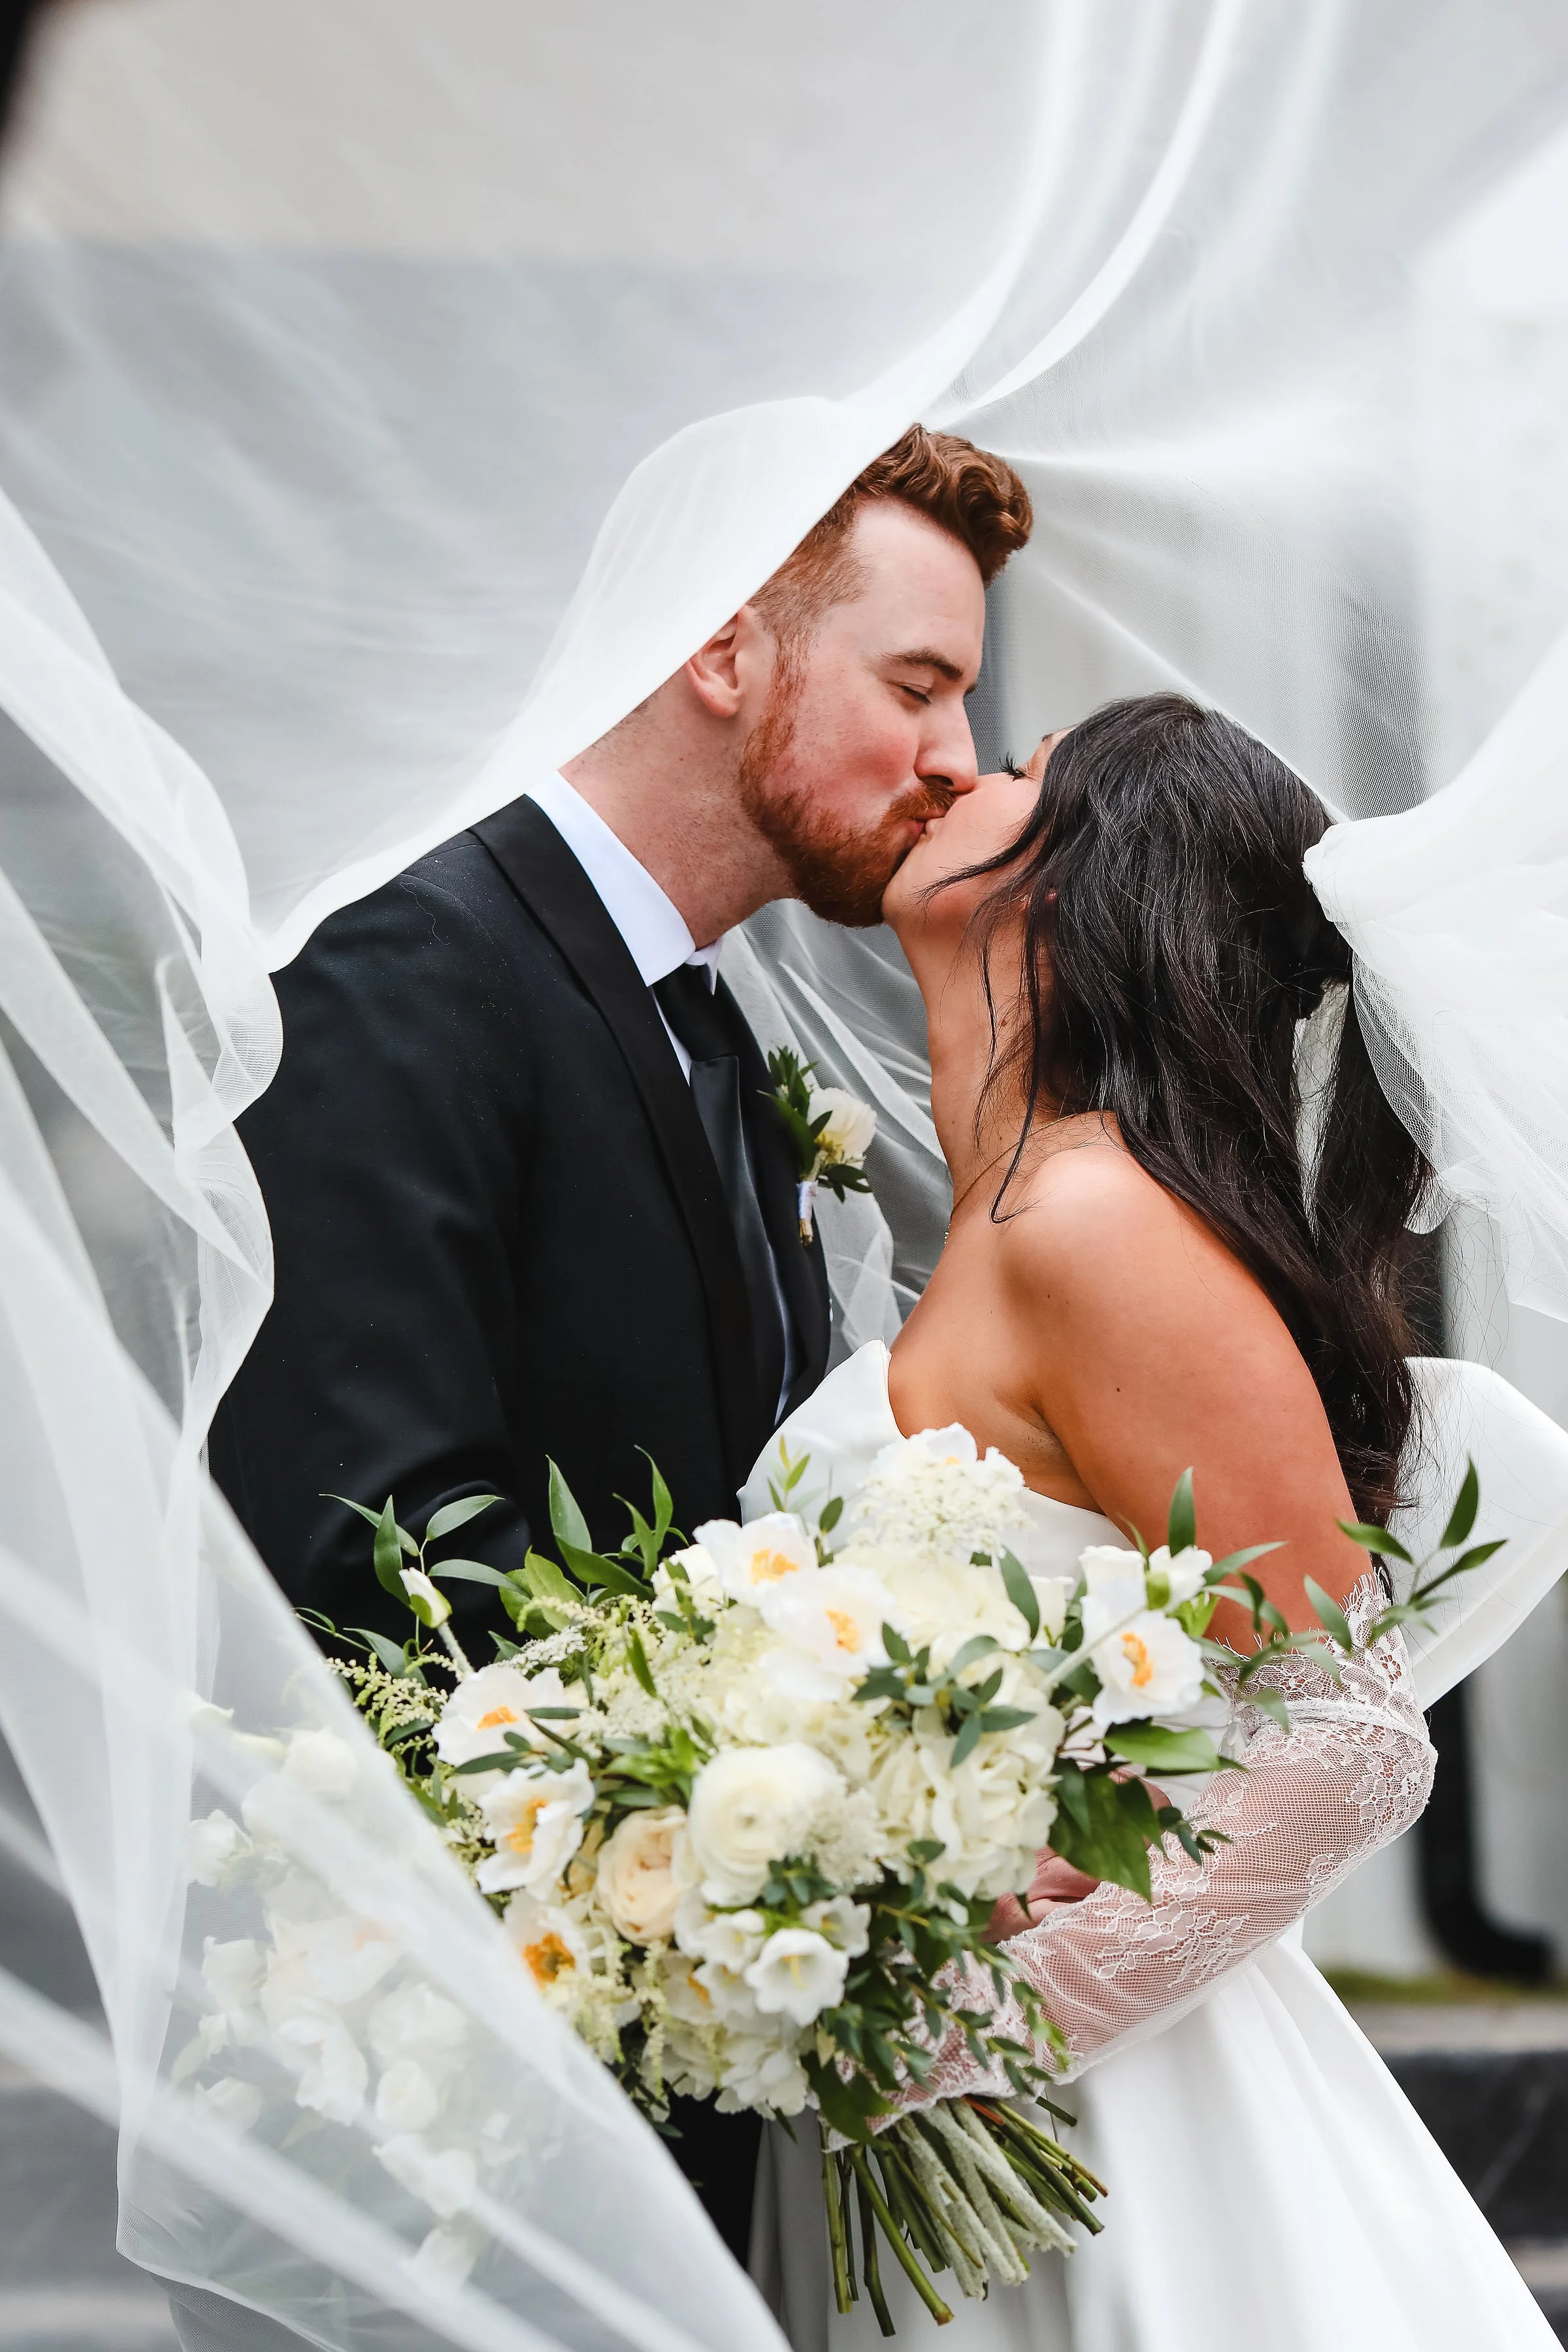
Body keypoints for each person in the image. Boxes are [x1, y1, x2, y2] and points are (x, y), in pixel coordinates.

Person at [204, 423, 1031, 2260]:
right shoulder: (400, 960)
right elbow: (370, 1543)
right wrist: (784, 1819)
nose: (959, 759)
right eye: (918, 684)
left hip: (645, 2098)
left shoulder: (710, 1027)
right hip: (423, 2126)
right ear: (726, 648)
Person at [745, 696, 1558, 2347]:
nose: (964, 769)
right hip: (948, 2123)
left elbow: (1344, 1734)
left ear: (1078, 882)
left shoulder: (1096, 1222)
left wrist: (975, 2029)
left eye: (1023, 771)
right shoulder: (1014, 1217)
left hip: (1108, 2132)